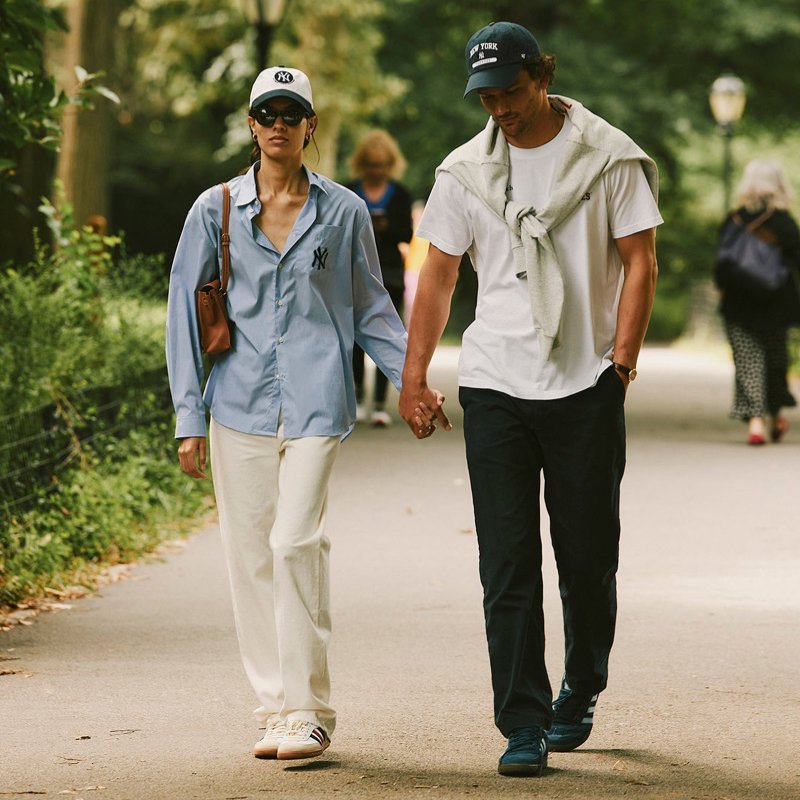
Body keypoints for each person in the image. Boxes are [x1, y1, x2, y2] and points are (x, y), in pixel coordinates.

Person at [399, 21, 662, 777]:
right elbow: (439, 276)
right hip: (495, 385)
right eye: (486, 97)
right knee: (506, 562)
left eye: (510, 92)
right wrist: (416, 378)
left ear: (540, 76)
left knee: (585, 556)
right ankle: (521, 721)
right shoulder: (463, 175)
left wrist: (622, 359)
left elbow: (639, 259)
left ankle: (581, 684)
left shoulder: (607, 157)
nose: (500, 109)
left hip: (583, 382)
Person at [166, 66, 407, 761]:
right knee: (249, 559)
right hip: (235, 402)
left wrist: (411, 382)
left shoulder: (344, 211)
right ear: (251, 126)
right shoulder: (211, 210)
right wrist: (188, 417)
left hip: (315, 400)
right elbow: (184, 316)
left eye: (290, 112)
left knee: (295, 541)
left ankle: (310, 709)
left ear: (310, 126)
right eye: (265, 112)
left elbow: (371, 307)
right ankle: (273, 705)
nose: (277, 123)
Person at [715, 158, 800, 445]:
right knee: (776, 360)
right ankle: (775, 415)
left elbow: (720, 265)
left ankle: (754, 423)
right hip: (776, 304)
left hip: (738, 303)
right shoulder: (785, 224)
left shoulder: (734, 220)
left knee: (747, 361)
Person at [347, 130, 413, 426]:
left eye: (382, 164)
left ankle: (379, 404)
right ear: (362, 164)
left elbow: (408, 235)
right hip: (354, 272)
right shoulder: (348, 192)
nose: (377, 170)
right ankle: (359, 397)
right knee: (355, 338)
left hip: (390, 273)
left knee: (389, 334)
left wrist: (384, 227)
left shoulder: (400, 195)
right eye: (372, 164)